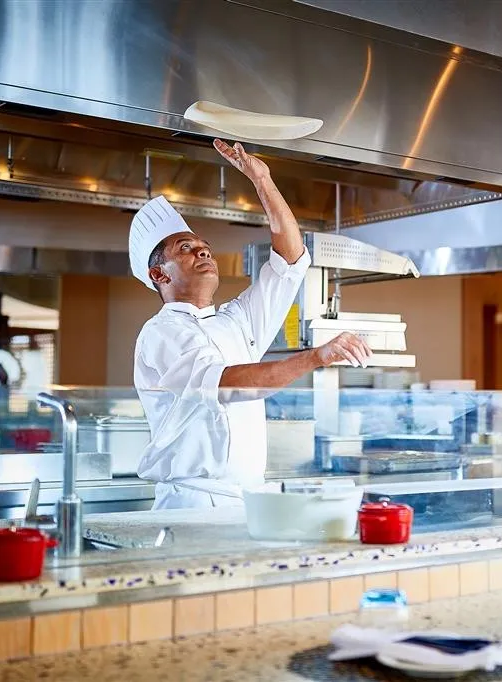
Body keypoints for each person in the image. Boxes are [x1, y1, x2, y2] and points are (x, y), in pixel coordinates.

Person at [130, 139, 372, 509]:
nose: (203, 251)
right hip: (192, 503)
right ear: (159, 275)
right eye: (185, 248)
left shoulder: (236, 321)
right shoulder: (160, 333)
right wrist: (315, 357)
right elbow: (226, 384)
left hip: (245, 500)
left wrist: (262, 180)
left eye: (205, 247)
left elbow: (291, 260)